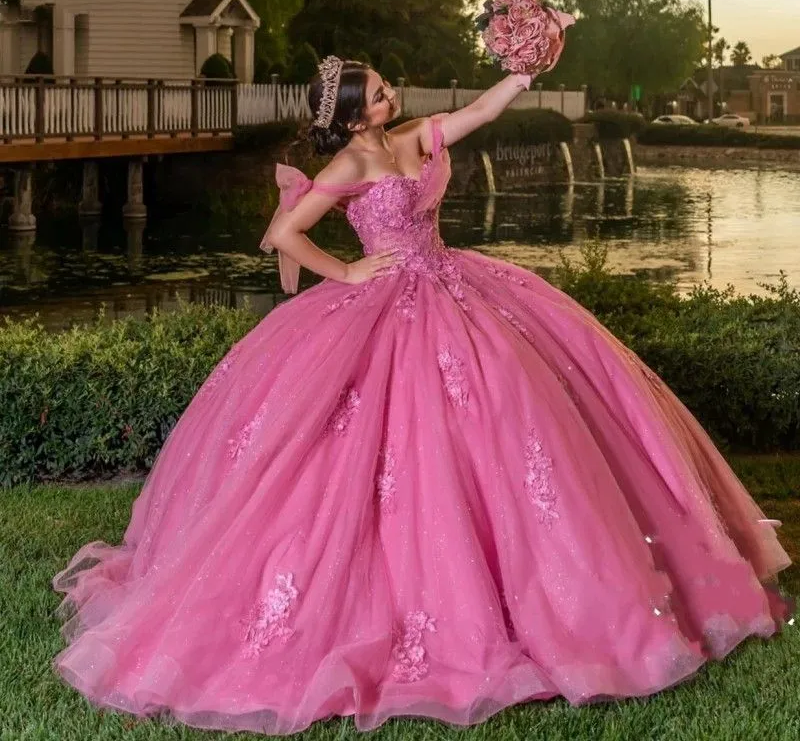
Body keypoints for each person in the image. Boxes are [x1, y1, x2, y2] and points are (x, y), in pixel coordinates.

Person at [51, 56, 794, 736]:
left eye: (385, 86)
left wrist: (525, 72)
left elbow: (480, 114)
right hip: (384, 304)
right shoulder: (349, 161)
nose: (389, 95)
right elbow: (284, 231)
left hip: (455, 289)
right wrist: (345, 275)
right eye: (376, 92)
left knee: (514, 425)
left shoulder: (415, 135)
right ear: (350, 115)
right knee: (374, 453)